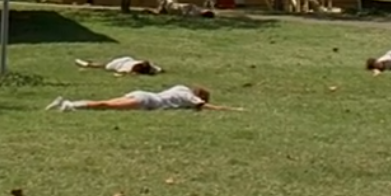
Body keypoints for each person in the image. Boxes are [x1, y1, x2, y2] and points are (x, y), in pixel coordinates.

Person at [45, 84, 243, 112]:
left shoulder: (181, 88)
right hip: (148, 102)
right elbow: (208, 107)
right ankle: (70, 105)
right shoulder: (190, 97)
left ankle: (69, 104)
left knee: (108, 102)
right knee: (107, 105)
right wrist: (233, 109)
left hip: (142, 93)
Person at [74, 55, 162, 76]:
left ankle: (88, 64)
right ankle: (88, 64)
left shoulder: (148, 65)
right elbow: (119, 73)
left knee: (104, 65)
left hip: (127, 59)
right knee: (104, 66)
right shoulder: (127, 69)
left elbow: (159, 70)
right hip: (119, 64)